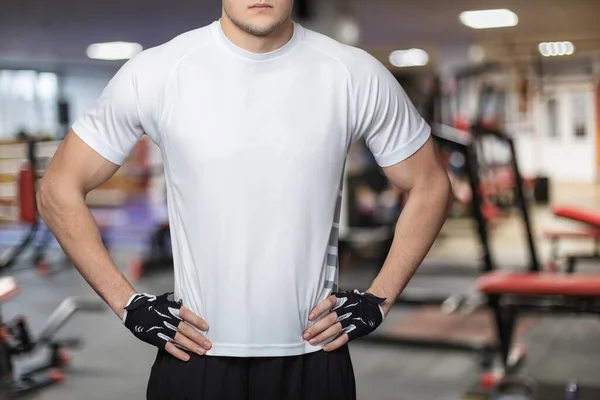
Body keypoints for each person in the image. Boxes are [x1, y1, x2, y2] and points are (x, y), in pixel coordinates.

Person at [37, 1, 452, 399]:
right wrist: (127, 304)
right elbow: (58, 189)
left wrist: (380, 298)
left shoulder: (353, 73)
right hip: (196, 355)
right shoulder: (158, 72)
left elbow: (430, 185)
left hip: (313, 357)